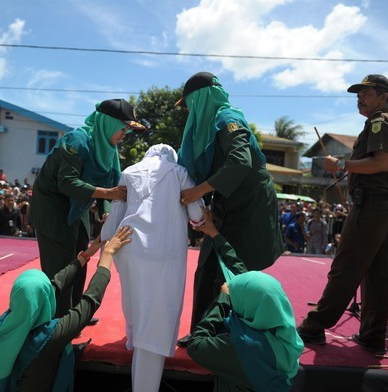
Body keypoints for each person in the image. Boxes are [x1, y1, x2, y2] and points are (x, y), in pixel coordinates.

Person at [297, 74, 388, 356]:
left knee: (346, 267)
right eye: (358, 94)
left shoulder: (379, 122)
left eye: (366, 93)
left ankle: (314, 325)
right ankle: (372, 335)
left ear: (384, 96)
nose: (360, 98)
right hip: (387, 206)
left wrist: (343, 164)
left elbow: (381, 162)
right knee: (378, 275)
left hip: (372, 208)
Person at [175, 72, 284, 347]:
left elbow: (240, 162)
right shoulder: (209, 125)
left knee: (234, 271)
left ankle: (228, 335)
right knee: (208, 267)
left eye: (188, 102)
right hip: (226, 202)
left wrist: (197, 192)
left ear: (200, 98)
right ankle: (203, 332)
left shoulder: (227, 118)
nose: (188, 110)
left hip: (248, 206)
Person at [29, 98, 146, 318]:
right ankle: (58, 323)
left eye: (127, 131)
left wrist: (106, 212)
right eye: (123, 128)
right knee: (61, 265)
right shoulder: (78, 140)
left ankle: (75, 313)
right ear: (108, 123)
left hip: (77, 207)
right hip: (53, 208)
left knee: (81, 255)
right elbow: (67, 182)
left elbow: (109, 184)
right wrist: (107, 194)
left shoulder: (109, 150)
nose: (124, 135)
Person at [100, 144, 204, 392]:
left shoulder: (130, 170)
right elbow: (197, 212)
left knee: (137, 306)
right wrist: (200, 221)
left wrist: (105, 242)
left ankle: (137, 345)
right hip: (163, 252)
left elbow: (115, 212)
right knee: (157, 320)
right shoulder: (179, 172)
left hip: (128, 246)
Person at [0, 226, 133, 392]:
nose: (51, 288)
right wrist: (107, 255)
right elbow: (89, 303)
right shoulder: (47, 338)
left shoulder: (7, 324)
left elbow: (55, 285)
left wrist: (84, 257)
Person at [186, 206, 303, 392]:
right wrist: (215, 234)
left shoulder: (241, 346)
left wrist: (223, 300)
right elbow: (241, 273)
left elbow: (196, 345)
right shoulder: (286, 338)